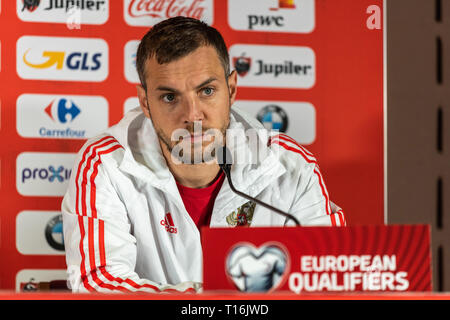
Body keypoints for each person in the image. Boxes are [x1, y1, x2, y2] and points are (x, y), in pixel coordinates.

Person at [61, 16, 346, 294]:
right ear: (145, 103)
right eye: (170, 97)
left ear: (231, 90)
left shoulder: (290, 165)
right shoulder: (105, 163)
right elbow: (99, 283)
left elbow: (327, 279)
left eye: (207, 91)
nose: (192, 115)